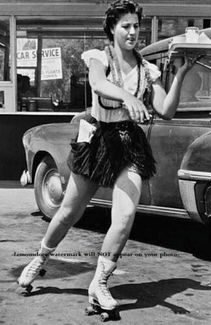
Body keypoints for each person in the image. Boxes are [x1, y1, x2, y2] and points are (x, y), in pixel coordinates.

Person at [18, 0, 194, 316]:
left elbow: (166, 110)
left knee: (125, 216)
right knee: (69, 212)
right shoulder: (100, 58)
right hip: (98, 139)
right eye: (125, 26)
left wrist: (179, 74)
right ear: (112, 28)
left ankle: (99, 283)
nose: (132, 32)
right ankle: (40, 259)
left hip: (130, 144)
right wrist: (128, 96)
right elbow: (99, 85)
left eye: (136, 26)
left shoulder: (147, 69)